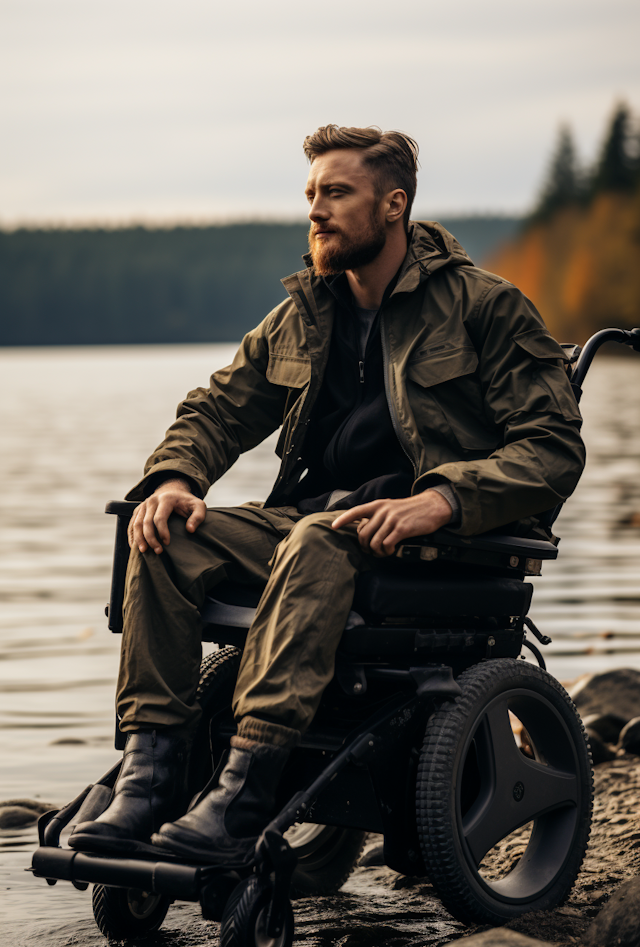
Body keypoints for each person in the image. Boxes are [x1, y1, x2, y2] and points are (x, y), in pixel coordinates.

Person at [69, 125, 585, 862]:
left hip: (437, 544)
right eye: (312, 193)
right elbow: (217, 410)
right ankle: (149, 777)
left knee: (318, 535)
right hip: (317, 526)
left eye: (336, 193)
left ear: (394, 205)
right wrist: (176, 479)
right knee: (161, 533)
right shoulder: (306, 311)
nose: (316, 210)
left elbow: (552, 448)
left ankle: (246, 789)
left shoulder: (484, 307)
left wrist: (441, 499)